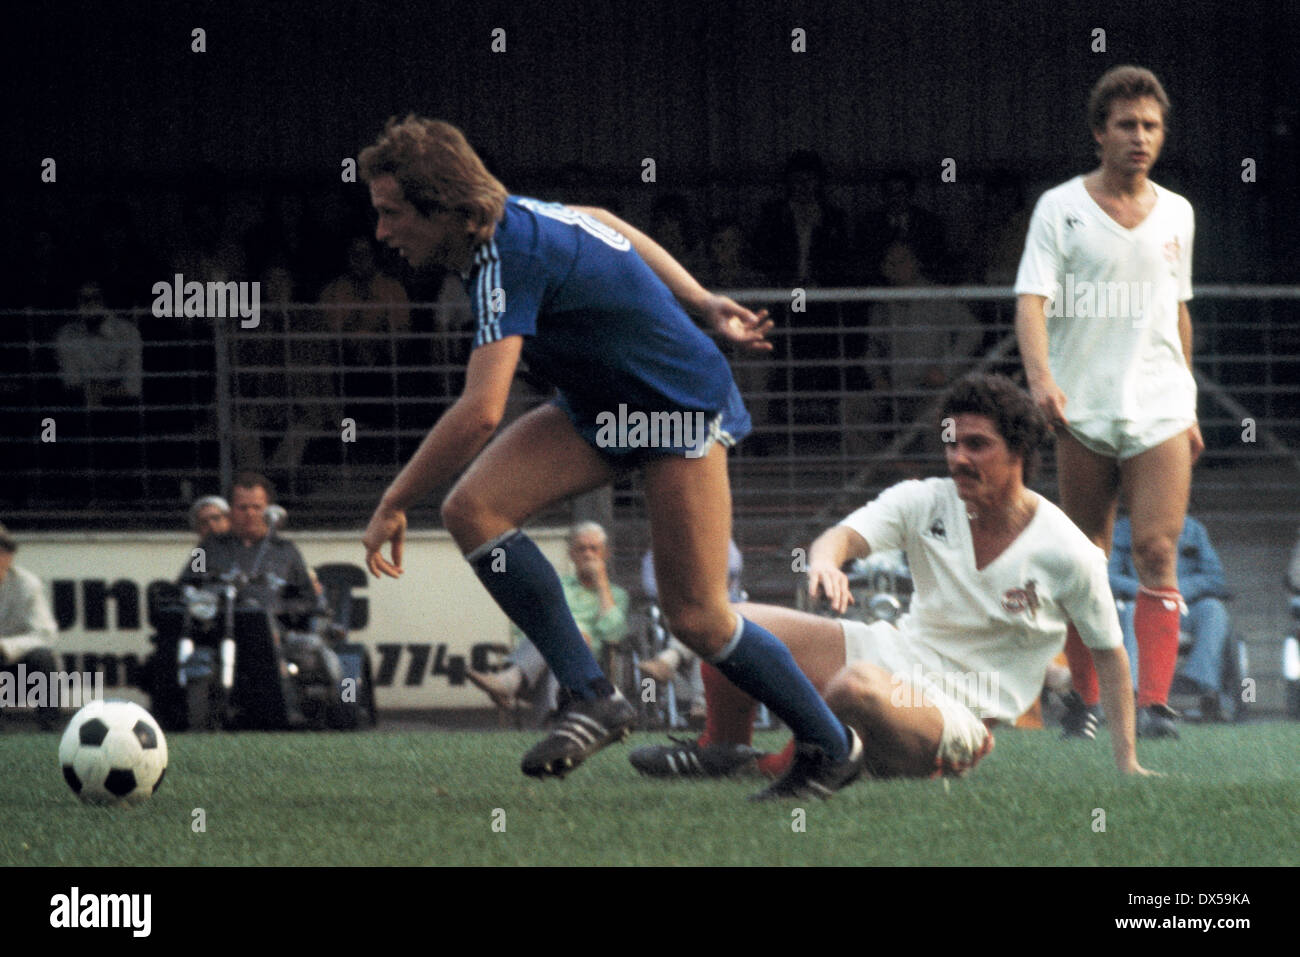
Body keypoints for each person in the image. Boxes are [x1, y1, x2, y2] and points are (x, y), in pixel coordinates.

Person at [357, 116, 863, 796]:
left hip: (676, 406)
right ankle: (594, 695)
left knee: (699, 616)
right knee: (473, 508)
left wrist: (392, 500)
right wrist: (702, 299)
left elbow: (480, 410)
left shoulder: (505, 259)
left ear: (443, 206)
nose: (382, 232)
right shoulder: (510, 220)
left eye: (391, 214)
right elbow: (602, 219)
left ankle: (832, 746)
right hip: (606, 406)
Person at [631, 375, 1155, 784]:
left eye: (978, 445)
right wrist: (824, 564)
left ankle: (778, 766)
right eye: (952, 444)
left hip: (960, 713)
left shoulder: (1067, 550)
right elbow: (839, 538)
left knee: (857, 687)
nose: (959, 458)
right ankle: (720, 751)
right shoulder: (923, 499)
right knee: (732, 624)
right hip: (895, 654)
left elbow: (1110, 651)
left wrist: (1127, 760)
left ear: (1019, 452)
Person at [1014, 65, 1200, 741]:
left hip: (1161, 406)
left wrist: (1193, 401)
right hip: (1082, 409)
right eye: (1127, 124)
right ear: (1100, 133)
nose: (1140, 136)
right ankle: (1085, 701)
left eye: (1151, 125)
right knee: (1085, 557)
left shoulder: (1179, 211)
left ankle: (1155, 704)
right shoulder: (1059, 207)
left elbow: (1177, 313)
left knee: (1156, 549)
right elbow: (1031, 301)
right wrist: (1041, 380)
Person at [465, 522, 630, 717]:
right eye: (581, 548)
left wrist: (602, 584)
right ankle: (553, 714)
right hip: (541, 657)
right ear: (571, 555)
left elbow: (614, 635)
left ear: (606, 553)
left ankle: (511, 681)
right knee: (554, 635)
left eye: (594, 548)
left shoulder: (616, 595)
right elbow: (525, 621)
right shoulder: (557, 585)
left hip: (591, 664)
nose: (588, 554)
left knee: (562, 635)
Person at [1110, 514, 1232, 726]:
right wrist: (1148, 591)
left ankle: (1205, 688)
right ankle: (1134, 693)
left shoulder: (1193, 528)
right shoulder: (1122, 529)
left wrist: (1175, 589)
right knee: (1129, 610)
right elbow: (1108, 576)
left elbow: (1215, 577)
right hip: (1141, 605)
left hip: (1184, 606)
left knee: (1213, 609)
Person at [0, 522, 60, 729]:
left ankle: (49, 725)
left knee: (43, 657)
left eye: (3, 551)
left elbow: (46, 635)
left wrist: (6, 648)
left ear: (9, 556)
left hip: (16, 673)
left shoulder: (27, 584)